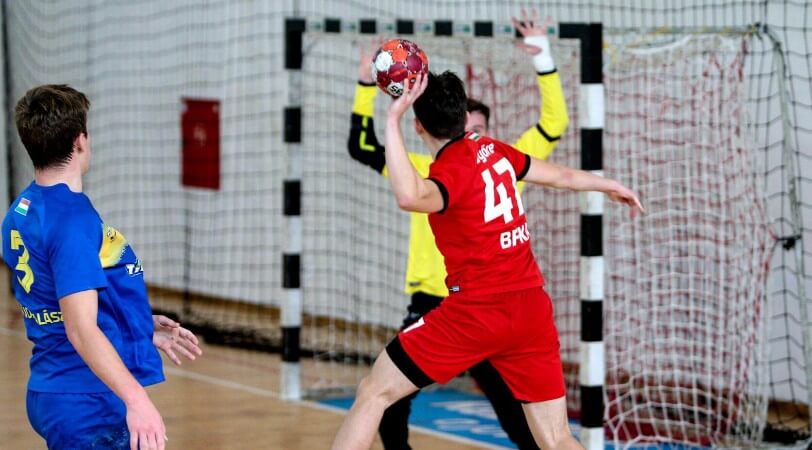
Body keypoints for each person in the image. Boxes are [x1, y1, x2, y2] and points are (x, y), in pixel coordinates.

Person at [332, 66, 644, 450]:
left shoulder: (447, 172)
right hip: (530, 310)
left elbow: (409, 196)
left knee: (374, 392)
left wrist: (392, 120)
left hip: (476, 312)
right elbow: (561, 177)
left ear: (418, 126)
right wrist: (607, 183)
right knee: (556, 438)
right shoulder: (495, 151)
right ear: (465, 117)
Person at [347, 11, 567, 450]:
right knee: (387, 402)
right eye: (467, 128)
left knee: (520, 418)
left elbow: (554, 123)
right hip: (436, 300)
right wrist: (366, 84)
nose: (471, 136)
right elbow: (362, 145)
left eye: (479, 130)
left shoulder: (503, 159)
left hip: (489, 303)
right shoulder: (422, 168)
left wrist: (543, 57)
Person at [3, 84, 203, 450]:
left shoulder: (21, 211)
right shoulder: (71, 220)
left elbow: (56, 299)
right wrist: (137, 400)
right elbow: (80, 328)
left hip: (54, 386)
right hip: (86, 399)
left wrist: (136, 327)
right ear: (80, 141)